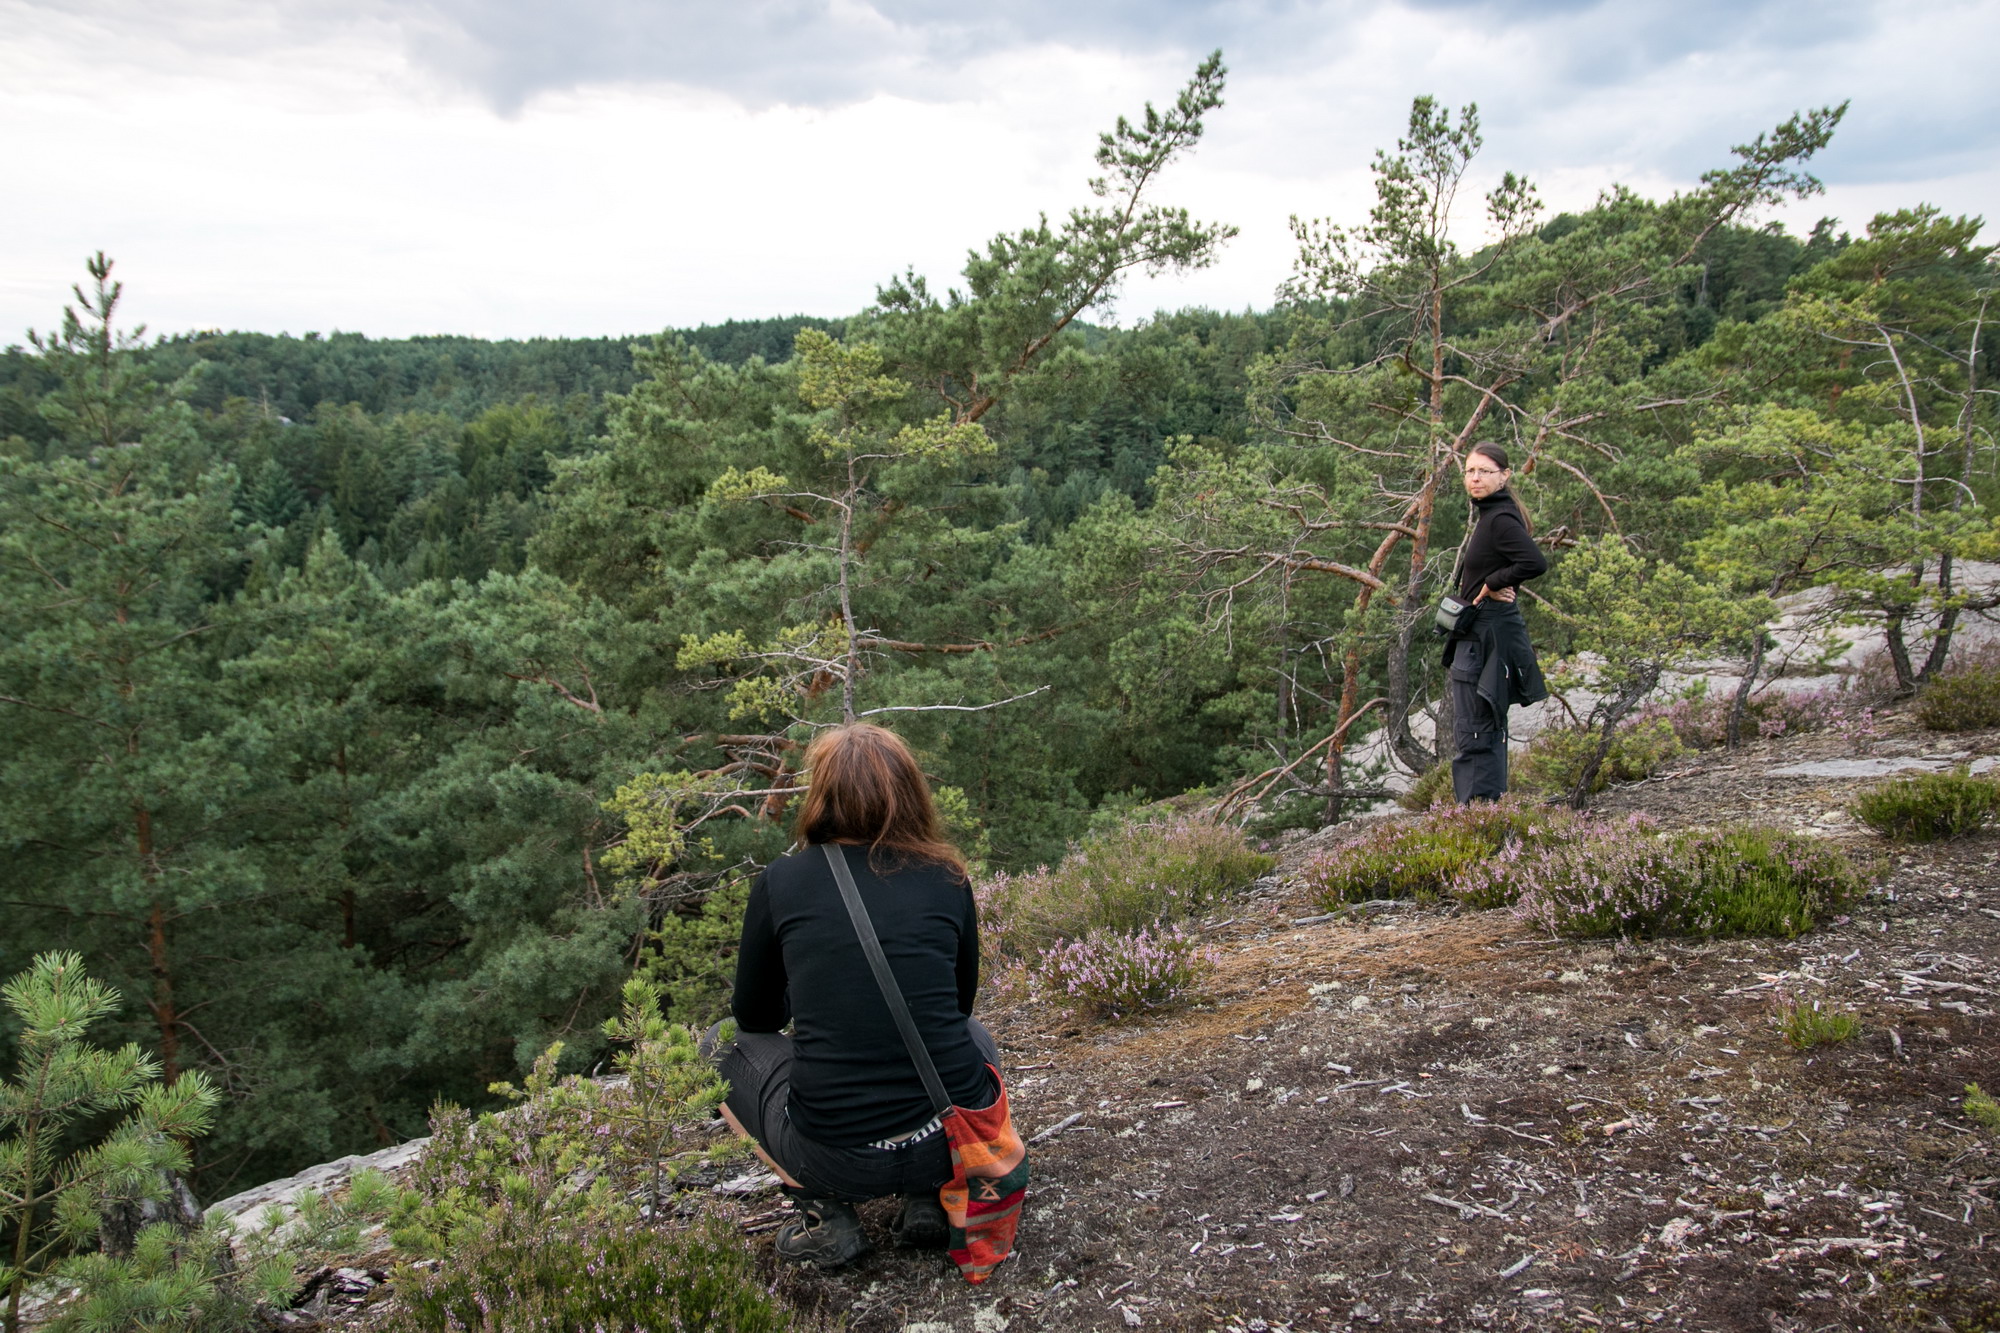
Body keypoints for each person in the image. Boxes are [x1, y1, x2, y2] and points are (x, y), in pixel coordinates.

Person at [704, 722, 1001, 1269]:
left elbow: (754, 1016)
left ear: (822, 796)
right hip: (951, 1143)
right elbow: (959, 1006)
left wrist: (813, 993)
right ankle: (929, 1196)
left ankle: (827, 1218)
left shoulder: (782, 881)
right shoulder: (947, 876)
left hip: (836, 1159)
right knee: (973, 1035)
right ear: (910, 793)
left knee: (718, 1043)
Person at [1442, 442, 1548, 802]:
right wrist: (1496, 580)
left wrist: (1493, 583)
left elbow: (1534, 562)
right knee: (1483, 726)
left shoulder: (1500, 519)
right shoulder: (1493, 514)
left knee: (1475, 729)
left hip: (1481, 640)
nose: (1475, 478)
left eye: (1484, 471)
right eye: (1470, 471)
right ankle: (1485, 812)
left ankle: (1477, 816)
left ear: (1504, 476)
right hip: (1481, 634)